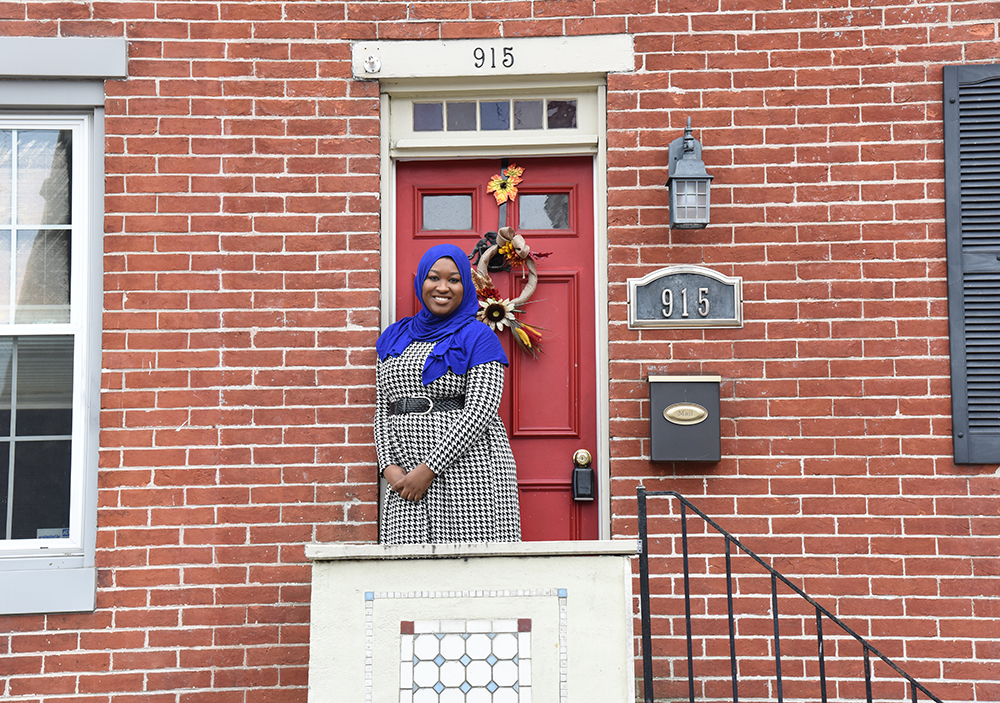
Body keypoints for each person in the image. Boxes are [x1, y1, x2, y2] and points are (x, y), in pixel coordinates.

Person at [374, 243, 521, 544]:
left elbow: (481, 411)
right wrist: (388, 465)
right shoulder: (393, 336)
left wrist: (429, 469)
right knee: (411, 577)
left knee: (472, 573)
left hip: (468, 470)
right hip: (404, 475)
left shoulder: (479, 336)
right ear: (421, 282)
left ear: (465, 286)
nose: (443, 287)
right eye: (434, 277)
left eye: (454, 279)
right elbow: (381, 407)